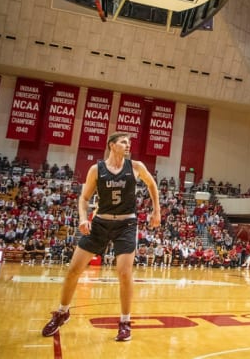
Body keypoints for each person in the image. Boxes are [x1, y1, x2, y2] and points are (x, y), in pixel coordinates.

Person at [41, 132, 161, 341]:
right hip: (100, 222)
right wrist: (82, 218)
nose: (128, 145)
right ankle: (62, 312)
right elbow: (84, 198)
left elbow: (152, 185)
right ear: (112, 145)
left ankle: (125, 322)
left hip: (126, 224)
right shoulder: (97, 169)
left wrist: (156, 210)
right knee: (73, 270)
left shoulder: (136, 167)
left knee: (124, 273)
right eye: (124, 142)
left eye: (129, 142)